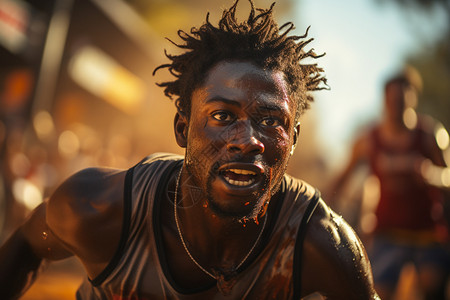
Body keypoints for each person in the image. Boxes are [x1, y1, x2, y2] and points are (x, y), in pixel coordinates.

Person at [0, 1, 380, 299]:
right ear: (183, 128)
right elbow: (28, 245)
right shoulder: (101, 208)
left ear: (292, 140)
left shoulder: (321, 246)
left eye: (270, 120)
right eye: (222, 115)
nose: (247, 139)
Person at [329, 66, 450, 300]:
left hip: (429, 234)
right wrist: (321, 211)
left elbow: (448, 176)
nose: (397, 106)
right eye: (392, 100)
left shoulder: (430, 135)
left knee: (432, 285)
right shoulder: (369, 139)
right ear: (384, 100)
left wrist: (431, 174)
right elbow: (341, 180)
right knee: (376, 293)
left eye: (402, 99)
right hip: (387, 234)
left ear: (413, 97)